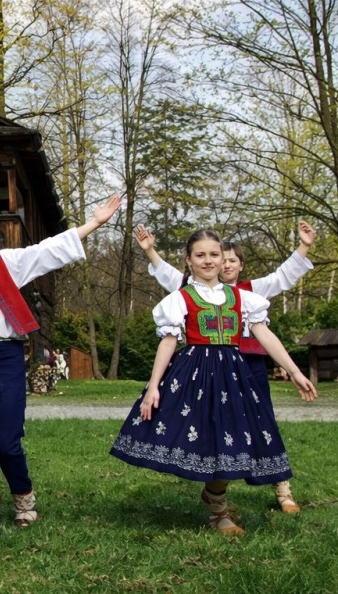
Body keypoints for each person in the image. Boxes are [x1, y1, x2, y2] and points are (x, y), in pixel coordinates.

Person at [110, 229, 318, 535]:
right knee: (206, 438)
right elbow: (168, 342)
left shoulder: (242, 298)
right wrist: (153, 386)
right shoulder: (181, 298)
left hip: (233, 376)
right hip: (193, 375)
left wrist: (295, 371)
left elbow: (265, 336)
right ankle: (219, 513)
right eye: (200, 255)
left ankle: (218, 500)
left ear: (224, 259)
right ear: (189, 260)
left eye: (214, 254)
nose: (208, 260)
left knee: (231, 438)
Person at [0, 194, 122, 526]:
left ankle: (24, 501)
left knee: (6, 441)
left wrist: (94, 223)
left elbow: (47, 251)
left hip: (4, 356)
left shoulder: (3, 263)